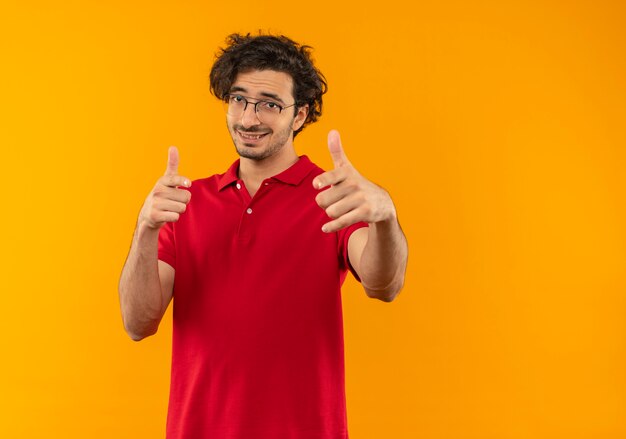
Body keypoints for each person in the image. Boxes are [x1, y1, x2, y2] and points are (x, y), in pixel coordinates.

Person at [119, 33, 408, 439]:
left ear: (300, 115)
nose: (249, 118)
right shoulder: (186, 202)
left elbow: (384, 283)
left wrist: (384, 216)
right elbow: (138, 323)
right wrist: (146, 229)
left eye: (270, 104)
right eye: (239, 99)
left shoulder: (332, 196)